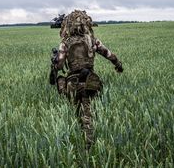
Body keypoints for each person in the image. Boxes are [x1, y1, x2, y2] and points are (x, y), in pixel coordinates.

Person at [53, 10, 124, 149]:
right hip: (91, 81)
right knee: (89, 112)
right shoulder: (93, 40)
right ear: (86, 23)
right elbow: (109, 55)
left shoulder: (65, 43)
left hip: (72, 84)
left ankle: (81, 140)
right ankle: (89, 139)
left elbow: (60, 64)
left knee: (66, 90)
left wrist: (55, 63)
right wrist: (118, 66)